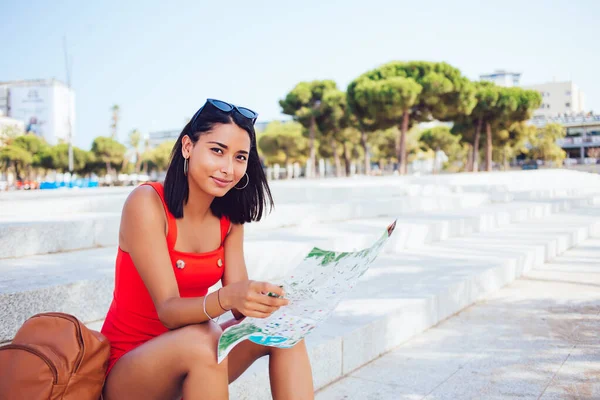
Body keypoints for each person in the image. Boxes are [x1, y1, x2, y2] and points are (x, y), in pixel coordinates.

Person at [101, 99, 314, 399]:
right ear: (188, 146)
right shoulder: (147, 204)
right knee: (204, 340)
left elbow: (240, 304)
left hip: (197, 355)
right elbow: (169, 310)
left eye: (240, 157)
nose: (228, 168)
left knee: (284, 330)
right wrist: (227, 298)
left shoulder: (229, 220)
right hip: (130, 371)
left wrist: (274, 300)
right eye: (217, 151)